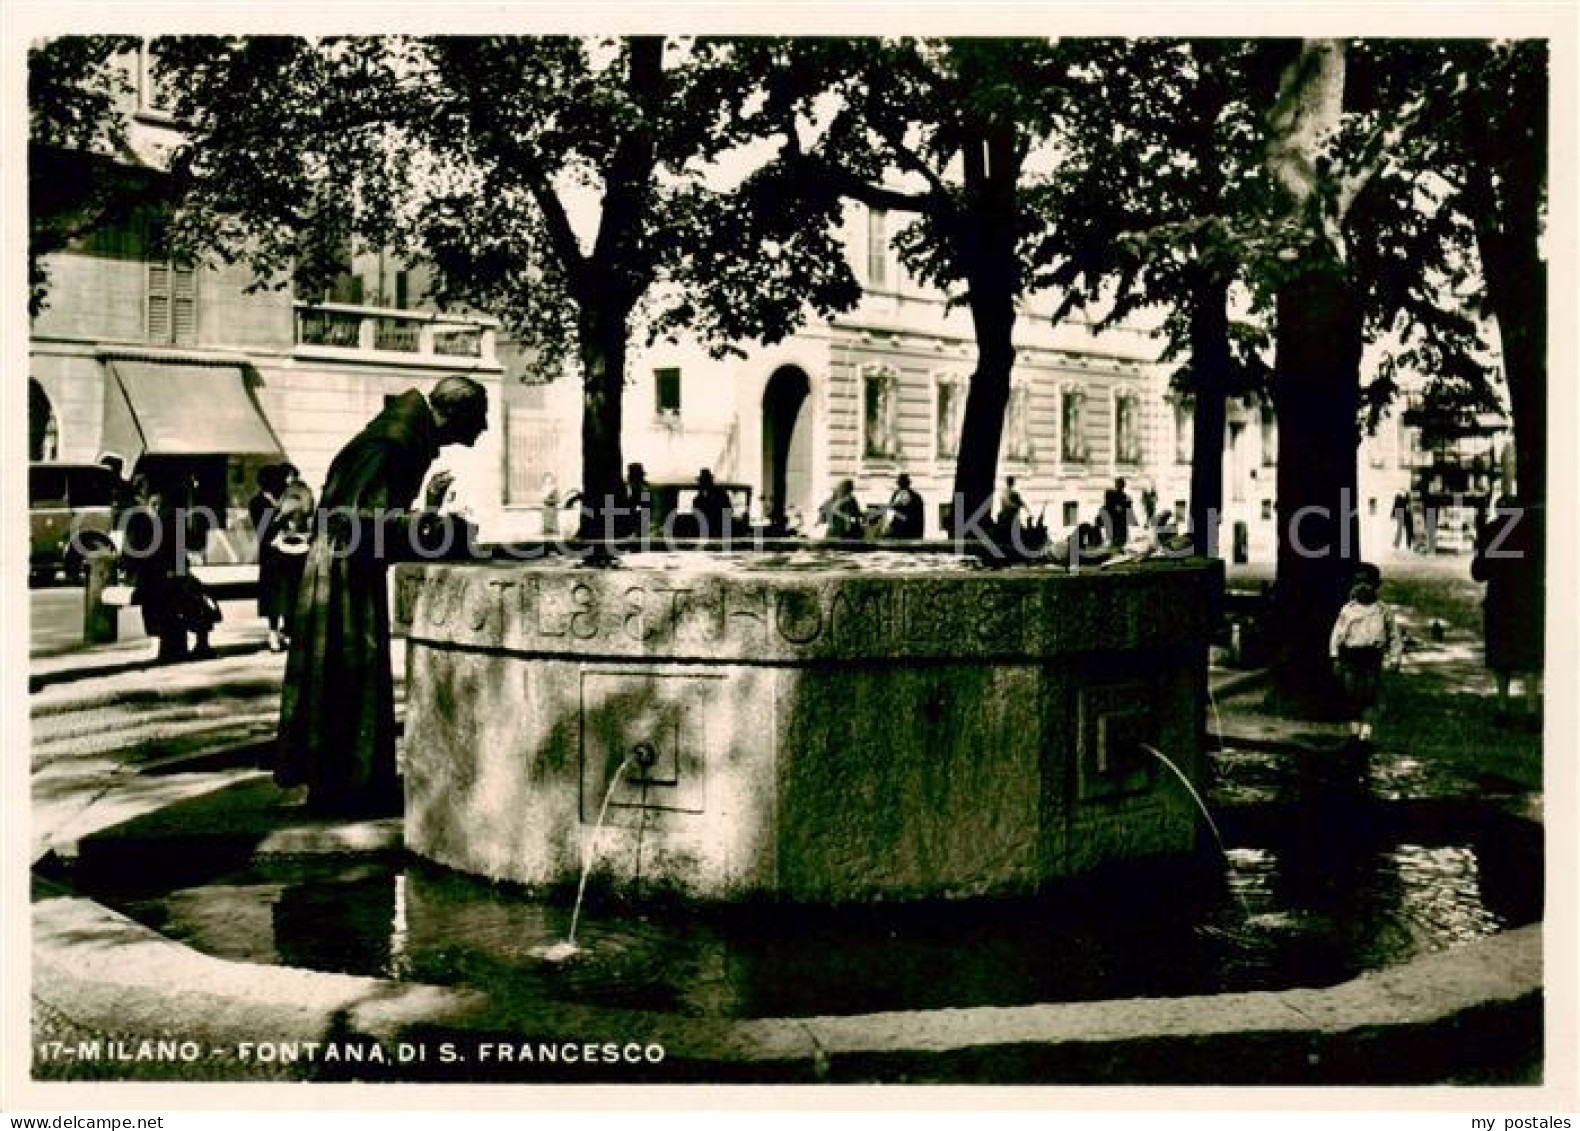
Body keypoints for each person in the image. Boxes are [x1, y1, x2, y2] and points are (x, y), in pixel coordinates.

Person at [276, 375, 489, 816]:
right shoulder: (392, 443)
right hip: (342, 573)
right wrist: (435, 528)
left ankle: (346, 782)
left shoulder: (400, 437)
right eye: (479, 417)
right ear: (456, 414)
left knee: (345, 676)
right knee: (345, 672)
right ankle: (342, 787)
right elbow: (361, 526)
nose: (483, 427)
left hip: (345, 568)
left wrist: (427, 511)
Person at [122, 475, 219, 663]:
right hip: (155, 576)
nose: (156, 503)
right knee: (177, 600)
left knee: (194, 598)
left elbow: (189, 544)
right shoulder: (144, 519)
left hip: (162, 575)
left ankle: (182, 646)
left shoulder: (163, 518)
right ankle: (181, 646)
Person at [1472, 496, 1544, 722]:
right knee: (1529, 654)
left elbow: (1479, 573)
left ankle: (1503, 708)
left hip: (1499, 601)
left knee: (1500, 655)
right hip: (1529, 601)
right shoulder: (1534, 533)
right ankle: (1532, 709)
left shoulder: (1490, 531)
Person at [1328, 562, 1403, 744]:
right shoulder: (1348, 609)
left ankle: (1366, 733)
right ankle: (1353, 733)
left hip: (1372, 657)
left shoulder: (1383, 610)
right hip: (1351, 656)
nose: (1363, 587)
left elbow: (1394, 635)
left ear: (1377, 585)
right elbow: (1337, 633)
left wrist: (1395, 658)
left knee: (1370, 694)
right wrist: (1335, 656)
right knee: (1351, 694)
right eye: (1358, 582)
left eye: (1368, 583)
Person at [690, 468, 734, 537]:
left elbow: (728, 511)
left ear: (710, 482)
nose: (702, 484)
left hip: (719, 529)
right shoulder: (698, 499)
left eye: (705, 481)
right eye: (702, 482)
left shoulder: (721, 495)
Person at [882, 472, 925, 540]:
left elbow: (917, 518)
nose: (900, 486)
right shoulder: (914, 496)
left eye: (901, 484)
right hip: (904, 532)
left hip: (909, 532)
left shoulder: (915, 497)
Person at [1102, 477, 1137, 549]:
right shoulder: (1112, 495)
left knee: (1121, 540)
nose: (1120, 486)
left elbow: (1129, 510)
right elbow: (1107, 507)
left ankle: (1118, 550)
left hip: (1121, 522)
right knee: (1115, 540)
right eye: (1118, 484)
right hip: (1115, 522)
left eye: (1121, 484)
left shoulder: (1126, 497)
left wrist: (1133, 520)